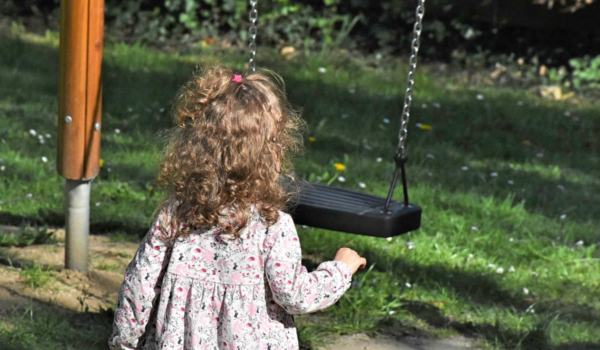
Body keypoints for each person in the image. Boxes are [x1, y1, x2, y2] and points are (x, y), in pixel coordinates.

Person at [108, 65, 367, 350]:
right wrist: (340, 269)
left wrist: (126, 341)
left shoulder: (175, 213)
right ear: (272, 153)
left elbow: (140, 284)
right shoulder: (272, 225)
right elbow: (294, 295)